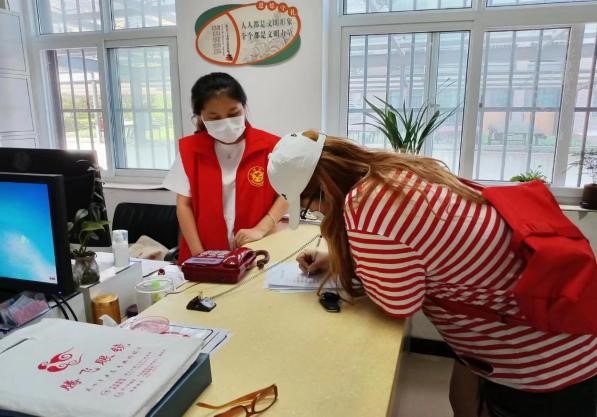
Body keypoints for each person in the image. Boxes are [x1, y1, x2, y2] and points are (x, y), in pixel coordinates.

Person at [266, 131, 597, 417]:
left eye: (310, 206)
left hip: (542, 361)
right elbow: (415, 248)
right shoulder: (390, 173)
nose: (317, 214)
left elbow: (398, 303)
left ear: (323, 190)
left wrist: (354, 260)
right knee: (461, 398)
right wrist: (337, 259)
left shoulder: (365, 207)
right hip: (546, 327)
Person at [163, 73, 287, 264]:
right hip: (203, 251)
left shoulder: (270, 146)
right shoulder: (190, 150)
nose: (226, 122)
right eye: (214, 117)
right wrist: (200, 256)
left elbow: (288, 193)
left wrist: (261, 229)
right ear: (201, 116)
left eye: (233, 114)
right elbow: (183, 205)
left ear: (244, 107)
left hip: (257, 251)